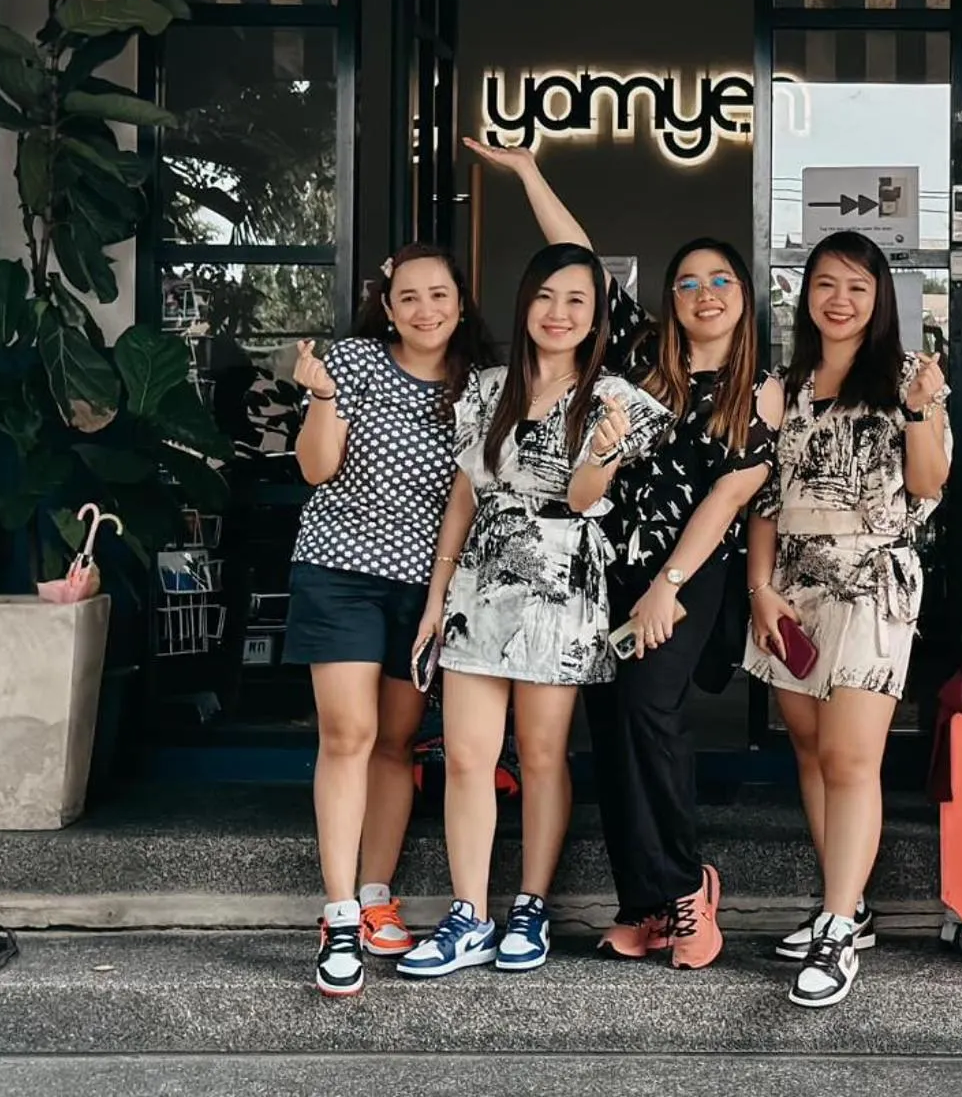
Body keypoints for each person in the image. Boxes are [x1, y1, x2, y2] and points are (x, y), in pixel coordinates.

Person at [465, 138, 780, 971]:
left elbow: (727, 499)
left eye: (721, 281)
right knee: (608, 727)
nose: (704, 294)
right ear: (668, 299)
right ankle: (643, 907)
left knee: (647, 709)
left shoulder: (762, 393)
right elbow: (582, 263)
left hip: (687, 576)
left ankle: (684, 888)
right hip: (605, 566)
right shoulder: (642, 359)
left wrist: (668, 586)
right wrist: (531, 175)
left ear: (745, 297)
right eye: (688, 282)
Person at [397, 242, 670, 980]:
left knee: (544, 756)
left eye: (577, 301)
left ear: (597, 316)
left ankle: (529, 905)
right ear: (525, 304)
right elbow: (465, 497)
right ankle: (468, 915)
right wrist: (436, 598)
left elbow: (582, 502)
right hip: (479, 584)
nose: (559, 313)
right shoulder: (486, 388)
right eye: (547, 296)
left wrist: (602, 453)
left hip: (560, 586)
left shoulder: (615, 398)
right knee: (466, 758)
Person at [745, 230, 952, 1008]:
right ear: (806, 294)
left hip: (872, 579)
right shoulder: (783, 383)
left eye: (858, 287)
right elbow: (761, 498)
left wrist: (924, 410)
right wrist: (761, 589)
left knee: (850, 758)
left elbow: (929, 485)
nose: (840, 300)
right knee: (807, 745)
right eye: (826, 284)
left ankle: (836, 928)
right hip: (792, 584)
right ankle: (852, 904)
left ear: (880, 298)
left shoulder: (905, 378)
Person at [286, 244, 496, 998]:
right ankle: (338, 915)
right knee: (349, 733)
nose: (425, 310)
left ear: (461, 302)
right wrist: (319, 399)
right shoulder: (352, 362)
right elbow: (315, 469)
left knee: (398, 742)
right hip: (340, 568)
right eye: (408, 297)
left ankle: (376, 897)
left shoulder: (482, 385)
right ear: (387, 305)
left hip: (425, 586)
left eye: (438, 295)